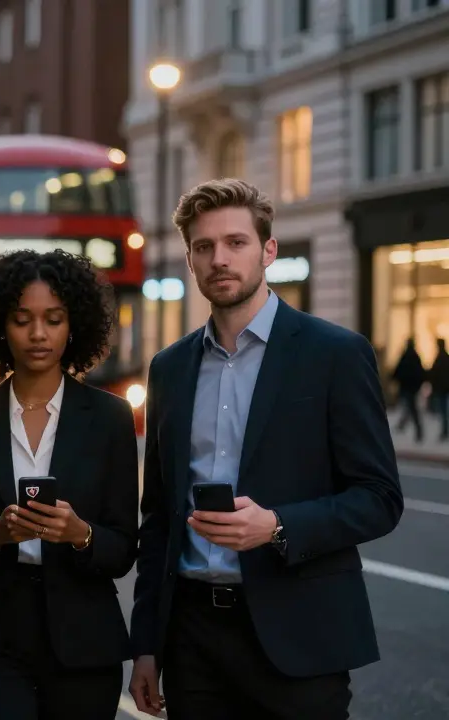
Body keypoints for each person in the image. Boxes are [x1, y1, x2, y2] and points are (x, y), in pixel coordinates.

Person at [128, 178, 403, 719]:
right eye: (204, 247)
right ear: (189, 259)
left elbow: (379, 498)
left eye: (236, 243)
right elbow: (158, 516)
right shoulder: (169, 369)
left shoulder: (336, 355)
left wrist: (276, 526)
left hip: (300, 636)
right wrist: (146, 644)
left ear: (268, 250)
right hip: (194, 640)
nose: (219, 259)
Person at [0, 250, 139, 720]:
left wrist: (82, 534)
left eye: (53, 320)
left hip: (84, 641)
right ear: (0, 326)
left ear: (73, 325)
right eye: (23, 320)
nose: (38, 334)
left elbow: (124, 548)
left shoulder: (109, 418)